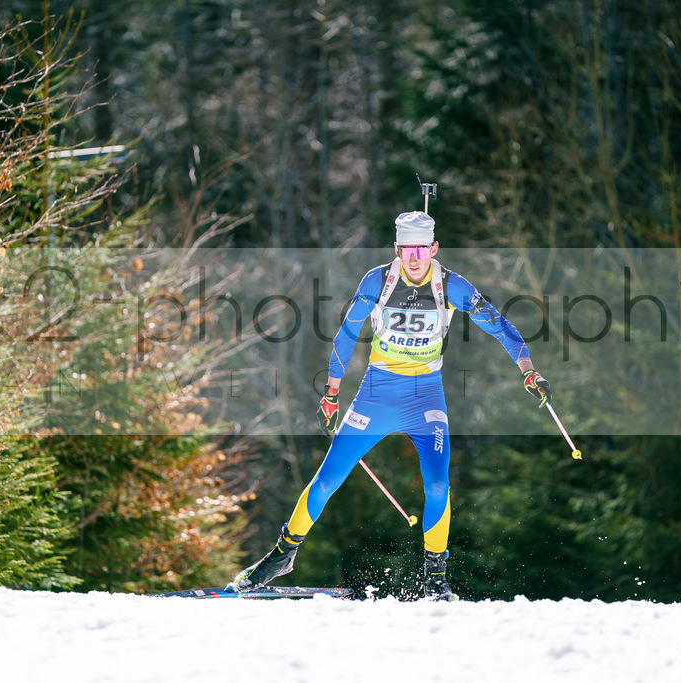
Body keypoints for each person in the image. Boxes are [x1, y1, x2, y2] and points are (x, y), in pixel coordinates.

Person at [229, 210, 551, 601]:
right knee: (328, 478)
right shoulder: (378, 280)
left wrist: (528, 370)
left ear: (434, 248)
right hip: (376, 394)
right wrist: (331, 395)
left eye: (421, 249)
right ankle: (281, 555)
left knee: (437, 484)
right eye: (406, 250)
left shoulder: (452, 286)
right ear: (396, 248)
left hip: (425, 397)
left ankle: (435, 580)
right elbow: (347, 334)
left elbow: (498, 323)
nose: (413, 258)